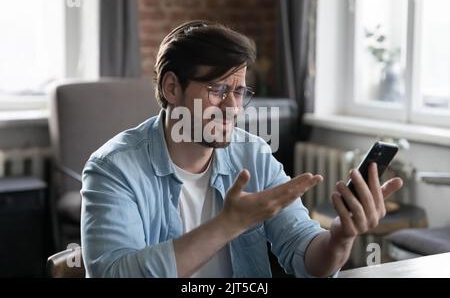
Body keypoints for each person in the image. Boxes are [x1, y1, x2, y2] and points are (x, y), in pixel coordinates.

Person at [80, 20, 403, 278]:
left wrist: (339, 237)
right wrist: (228, 223)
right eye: (218, 90)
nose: (233, 107)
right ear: (171, 87)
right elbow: (112, 273)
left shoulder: (253, 154)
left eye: (239, 91)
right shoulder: (113, 168)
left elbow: (305, 255)